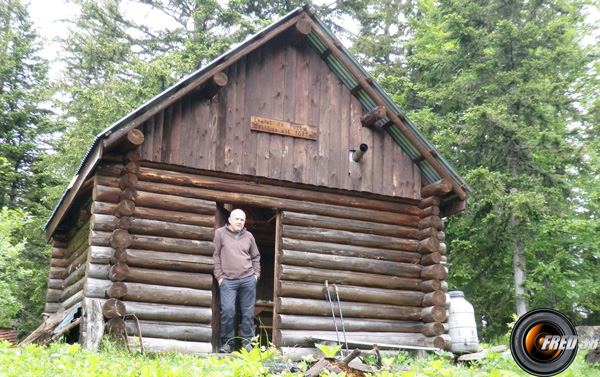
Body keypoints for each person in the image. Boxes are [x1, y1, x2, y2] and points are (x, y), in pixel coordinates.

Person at [213, 209, 261, 353]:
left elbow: (256, 257)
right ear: (230, 220)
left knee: (248, 313)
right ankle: (228, 344)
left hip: (248, 279)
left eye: (242, 219)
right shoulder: (220, 233)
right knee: (227, 311)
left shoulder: (249, 236)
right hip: (227, 280)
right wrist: (219, 277)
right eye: (237, 219)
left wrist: (256, 275)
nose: (239, 222)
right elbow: (215, 256)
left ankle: (247, 344)